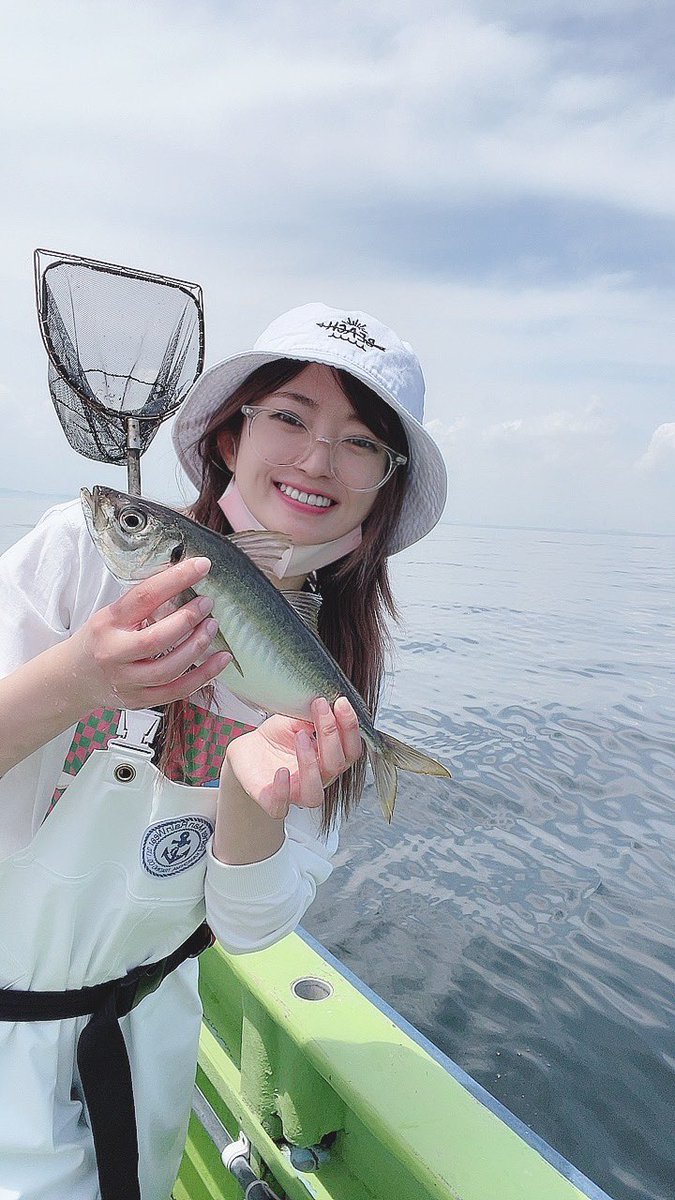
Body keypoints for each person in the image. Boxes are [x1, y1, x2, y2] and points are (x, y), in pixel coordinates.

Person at [0, 301, 447, 1199]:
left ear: (385, 484)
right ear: (230, 435)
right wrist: (78, 681)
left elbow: (247, 928)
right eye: (289, 416)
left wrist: (253, 805)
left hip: (141, 1047)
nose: (317, 459)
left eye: (360, 442)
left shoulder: (335, 669)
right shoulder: (76, 557)